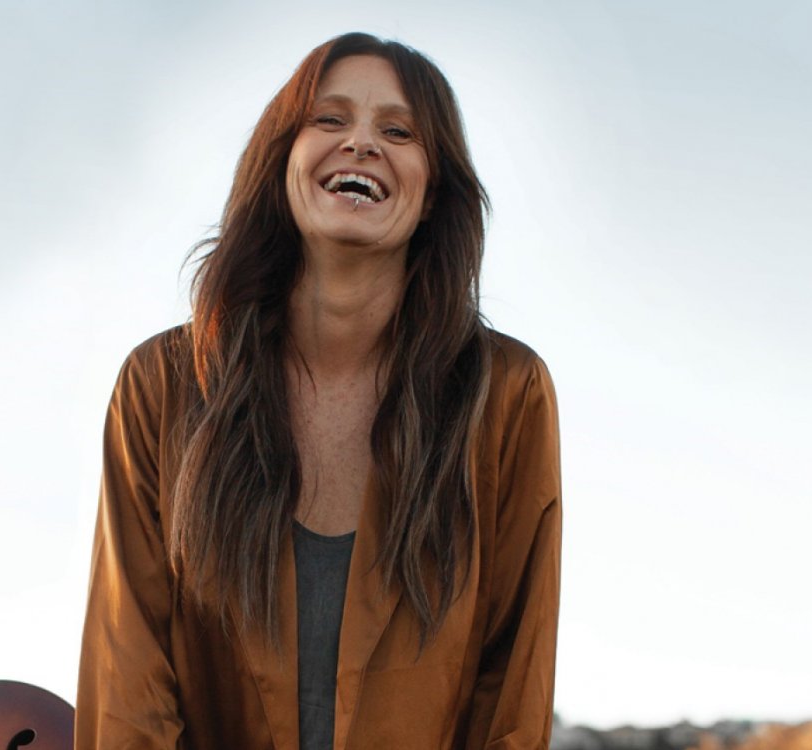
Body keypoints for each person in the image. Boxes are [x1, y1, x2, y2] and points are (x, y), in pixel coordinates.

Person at [75, 32, 561, 750]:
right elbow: (129, 684)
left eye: (397, 131)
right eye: (329, 120)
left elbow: (512, 693)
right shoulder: (162, 387)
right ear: (283, 162)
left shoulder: (506, 397)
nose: (361, 143)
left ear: (433, 194)